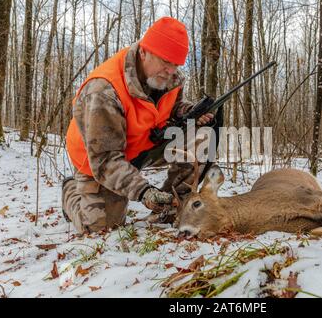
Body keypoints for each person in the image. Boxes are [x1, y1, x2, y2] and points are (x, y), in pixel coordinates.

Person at [62, 17, 216, 234]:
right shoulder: (103, 92)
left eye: (175, 64)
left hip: (143, 144)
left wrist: (189, 112)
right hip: (99, 158)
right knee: (101, 227)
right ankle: (70, 190)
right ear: (143, 51)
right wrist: (144, 191)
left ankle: (173, 206)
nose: (170, 70)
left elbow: (174, 106)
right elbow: (106, 160)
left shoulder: (170, 77)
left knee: (201, 138)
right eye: (165, 61)